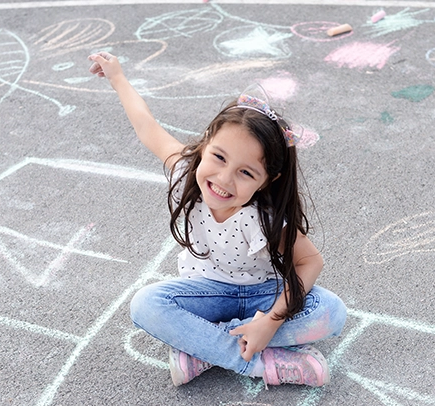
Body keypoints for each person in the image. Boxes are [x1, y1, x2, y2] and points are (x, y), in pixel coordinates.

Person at [88, 52, 347, 388]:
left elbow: (310, 261)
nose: (224, 179)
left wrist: (270, 321)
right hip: (205, 294)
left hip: (262, 295)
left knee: (331, 311)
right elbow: (146, 126)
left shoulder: (264, 216)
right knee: (146, 305)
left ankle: (201, 348)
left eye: (246, 172)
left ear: (267, 180)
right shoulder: (186, 173)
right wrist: (118, 77)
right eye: (219, 157)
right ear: (207, 141)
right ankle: (258, 363)